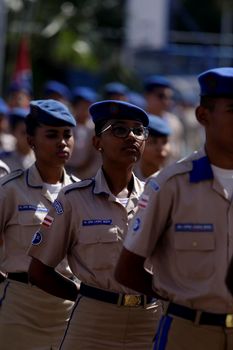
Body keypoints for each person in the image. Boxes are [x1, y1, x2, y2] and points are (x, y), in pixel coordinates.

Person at [28, 100, 162, 350]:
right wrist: (86, 296)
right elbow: (39, 271)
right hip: (93, 324)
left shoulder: (157, 198)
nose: (131, 136)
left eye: (138, 130)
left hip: (148, 322)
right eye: (119, 130)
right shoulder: (73, 199)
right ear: (97, 142)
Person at [115, 67, 233, 350]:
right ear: (203, 116)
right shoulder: (170, 185)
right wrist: (177, 295)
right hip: (188, 332)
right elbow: (127, 268)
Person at [0, 99, 79, 350]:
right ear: (31, 140)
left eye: (67, 135)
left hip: (69, 309)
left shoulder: (82, 194)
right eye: (52, 135)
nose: (62, 142)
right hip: (20, 308)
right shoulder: (10, 190)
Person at [144, 75, 185, 163]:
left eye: (169, 97)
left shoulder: (174, 122)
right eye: (161, 96)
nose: (166, 101)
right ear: (147, 96)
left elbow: (178, 152)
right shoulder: (138, 121)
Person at [66, 86, 101, 179]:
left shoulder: (94, 127)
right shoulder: (66, 124)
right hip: (66, 170)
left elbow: (94, 154)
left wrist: (82, 169)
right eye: (82, 105)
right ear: (75, 106)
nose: (85, 109)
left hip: (86, 175)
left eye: (88, 105)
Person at [134, 114, 172, 180]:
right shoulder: (127, 177)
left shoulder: (173, 179)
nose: (160, 148)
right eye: (153, 142)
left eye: (164, 142)